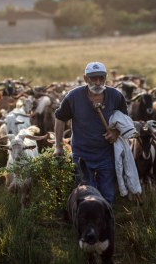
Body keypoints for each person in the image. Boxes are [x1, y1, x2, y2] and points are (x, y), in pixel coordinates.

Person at [53, 61, 128, 204]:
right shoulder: (73, 97)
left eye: (101, 78)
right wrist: (58, 146)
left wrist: (116, 132)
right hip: (82, 154)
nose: (98, 82)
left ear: (106, 78)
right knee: (86, 194)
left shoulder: (115, 96)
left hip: (107, 153)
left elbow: (125, 120)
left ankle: (106, 220)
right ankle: (86, 221)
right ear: (85, 78)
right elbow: (60, 118)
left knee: (107, 193)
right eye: (93, 78)